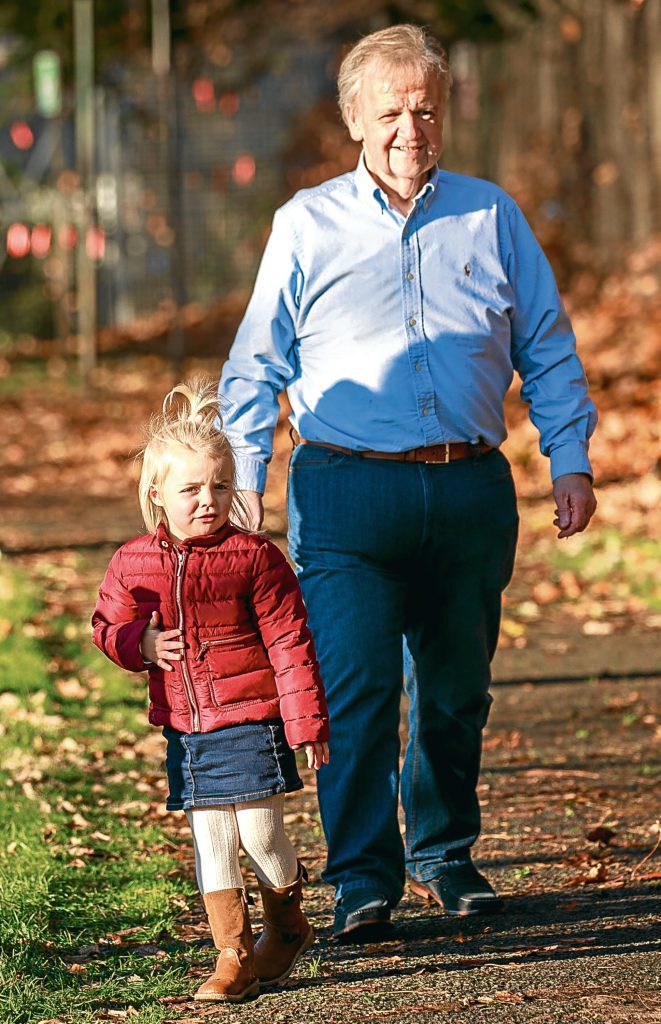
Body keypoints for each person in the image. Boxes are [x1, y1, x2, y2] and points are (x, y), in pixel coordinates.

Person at [219, 24, 597, 943]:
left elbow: (544, 343)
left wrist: (570, 454)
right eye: (388, 110)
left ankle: (444, 855)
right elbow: (254, 367)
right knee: (353, 692)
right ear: (354, 119)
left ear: (446, 114)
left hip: (470, 489)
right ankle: (360, 877)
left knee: (455, 687)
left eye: (424, 108)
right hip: (346, 492)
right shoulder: (305, 224)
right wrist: (240, 489)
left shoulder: (489, 213)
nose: (407, 126)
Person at [92, 378, 329, 1002]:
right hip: (188, 728)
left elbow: (289, 641)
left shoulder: (256, 558)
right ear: (157, 494)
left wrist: (305, 723)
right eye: (191, 489)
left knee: (259, 834)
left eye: (220, 487)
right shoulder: (132, 561)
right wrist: (135, 646)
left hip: (253, 718)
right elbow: (107, 626)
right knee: (212, 839)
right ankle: (232, 956)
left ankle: (287, 922)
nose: (208, 500)